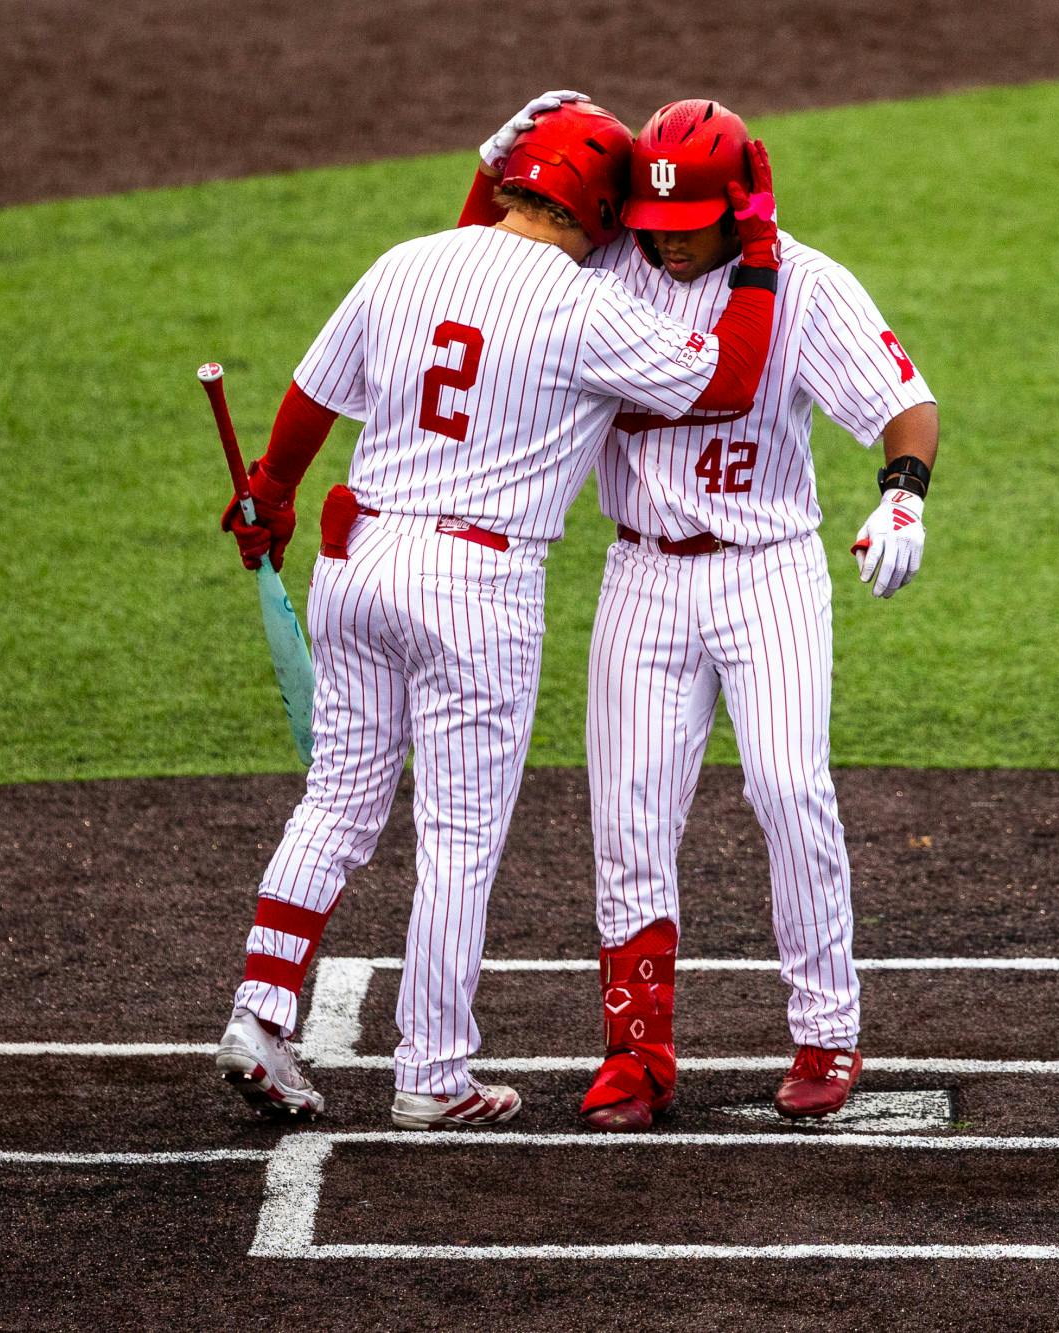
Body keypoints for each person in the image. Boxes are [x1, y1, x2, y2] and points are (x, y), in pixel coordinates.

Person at [209, 102, 783, 1129]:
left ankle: (259, 1013)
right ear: (601, 211)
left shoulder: (407, 262)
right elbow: (730, 379)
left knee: (336, 803)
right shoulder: (583, 310)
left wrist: (274, 492)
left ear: (509, 179)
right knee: (458, 838)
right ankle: (430, 1072)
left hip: (358, 557)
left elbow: (308, 397)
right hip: (474, 588)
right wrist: (757, 243)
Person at [463, 94, 940, 1128]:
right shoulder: (597, 272)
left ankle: (825, 1030)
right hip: (640, 572)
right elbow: (478, 276)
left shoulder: (805, 286)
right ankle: (635, 1055)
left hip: (767, 567)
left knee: (785, 787)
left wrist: (900, 493)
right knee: (628, 814)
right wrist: (490, 165)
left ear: (738, 209)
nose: (668, 249)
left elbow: (905, 401)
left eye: (688, 231)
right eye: (653, 228)